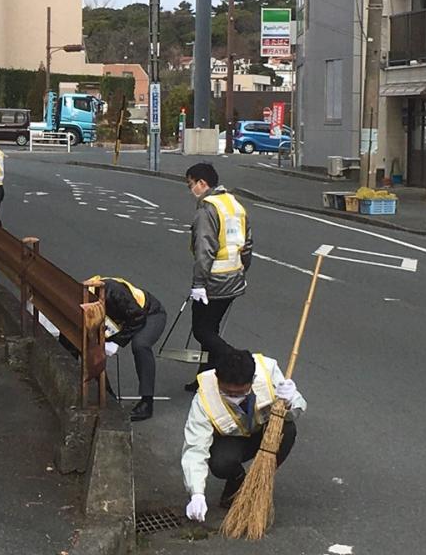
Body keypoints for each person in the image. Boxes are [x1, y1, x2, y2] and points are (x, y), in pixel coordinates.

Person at [181, 347, 305, 522]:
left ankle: (259, 481)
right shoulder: (203, 398)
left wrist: (292, 401)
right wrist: (196, 494)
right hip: (232, 441)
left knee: (288, 429)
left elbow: (296, 411)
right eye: (227, 393)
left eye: (240, 393)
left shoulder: (267, 371)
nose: (234, 397)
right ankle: (237, 480)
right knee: (221, 462)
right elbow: (195, 448)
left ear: (252, 380)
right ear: (217, 380)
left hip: (264, 431)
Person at [184, 162, 253, 391]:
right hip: (233, 278)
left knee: (202, 330)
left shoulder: (208, 210)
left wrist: (198, 284)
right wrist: (242, 270)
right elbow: (247, 243)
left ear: (202, 183)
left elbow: (205, 250)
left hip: (213, 281)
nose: (190, 189)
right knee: (211, 329)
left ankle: (237, 362)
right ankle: (205, 378)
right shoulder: (234, 205)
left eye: (191, 184)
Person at [83, 276, 166, 422]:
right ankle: (108, 395)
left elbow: (138, 318)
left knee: (141, 345)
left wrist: (116, 342)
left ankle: (147, 403)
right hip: (122, 319)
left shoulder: (114, 292)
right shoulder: (84, 298)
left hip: (149, 313)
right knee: (91, 345)